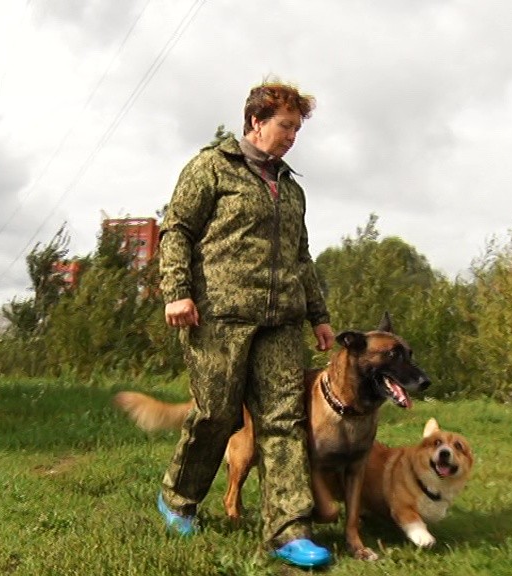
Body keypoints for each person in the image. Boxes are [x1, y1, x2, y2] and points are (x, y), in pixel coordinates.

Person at [156, 80, 335, 569]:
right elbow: (177, 231)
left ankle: (288, 531)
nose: (293, 136)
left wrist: (319, 317)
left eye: (298, 128)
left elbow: (302, 257)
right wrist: (176, 291)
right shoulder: (211, 167)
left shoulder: (292, 190)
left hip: (281, 322)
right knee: (217, 414)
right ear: (256, 121)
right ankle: (179, 497)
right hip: (218, 315)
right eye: (286, 125)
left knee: (284, 422)